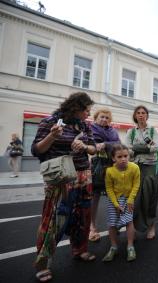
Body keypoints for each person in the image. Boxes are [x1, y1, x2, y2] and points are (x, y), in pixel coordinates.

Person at [31, 92, 97, 282]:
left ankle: (80, 249)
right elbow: (36, 150)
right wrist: (52, 136)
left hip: (84, 175)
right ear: (75, 107)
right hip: (60, 177)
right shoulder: (50, 122)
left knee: (82, 216)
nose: (88, 114)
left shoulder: (84, 125)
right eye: (86, 110)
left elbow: (93, 148)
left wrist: (84, 147)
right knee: (54, 219)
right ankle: (43, 263)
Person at [126, 105, 158, 240]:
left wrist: (136, 148)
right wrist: (144, 148)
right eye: (138, 113)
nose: (141, 115)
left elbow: (155, 148)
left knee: (150, 197)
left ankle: (151, 225)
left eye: (143, 113)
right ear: (135, 116)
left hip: (150, 166)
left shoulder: (153, 131)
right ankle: (133, 227)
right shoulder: (131, 132)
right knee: (135, 198)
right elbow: (127, 150)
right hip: (135, 167)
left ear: (147, 115)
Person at [102, 144, 140, 262]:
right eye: (119, 157)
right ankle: (113, 247)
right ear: (113, 158)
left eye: (125, 156)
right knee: (112, 223)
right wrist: (116, 204)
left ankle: (130, 246)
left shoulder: (134, 168)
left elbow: (136, 184)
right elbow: (109, 188)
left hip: (129, 199)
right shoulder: (109, 171)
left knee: (129, 221)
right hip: (114, 200)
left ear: (129, 156)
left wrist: (130, 200)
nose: (123, 159)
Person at [89, 107, 120, 242]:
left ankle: (114, 225)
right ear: (96, 118)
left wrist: (105, 143)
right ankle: (92, 227)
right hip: (97, 166)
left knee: (113, 196)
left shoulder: (112, 130)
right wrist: (108, 145)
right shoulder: (91, 129)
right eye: (102, 117)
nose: (104, 119)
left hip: (111, 165)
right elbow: (92, 145)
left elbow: (118, 144)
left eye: (107, 118)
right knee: (94, 197)